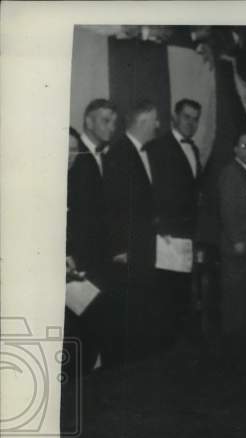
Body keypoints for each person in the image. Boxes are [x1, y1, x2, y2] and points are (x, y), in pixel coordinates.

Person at [102, 100, 161, 365]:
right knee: (127, 314)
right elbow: (112, 206)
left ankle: (137, 366)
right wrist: (120, 248)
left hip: (142, 248)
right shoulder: (120, 153)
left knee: (139, 309)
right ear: (143, 122)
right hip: (128, 251)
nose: (158, 125)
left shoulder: (141, 152)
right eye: (155, 120)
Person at [66, 100, 118, 372]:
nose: (112, 127)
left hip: (96, 262)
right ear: (88, 121)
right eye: (105, 120)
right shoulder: (75, 160)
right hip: (78, 263)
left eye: (114, 122)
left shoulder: (103, 157)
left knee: (92, 334)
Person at [147, 98, 203, 349]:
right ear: (175, 118)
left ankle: (175, 353)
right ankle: (162, 353)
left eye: (195, 119)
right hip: (166, 237)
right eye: (186, 117)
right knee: (164, 297)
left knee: (182, 296)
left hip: (187, 235)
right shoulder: (158, 147)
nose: (191, 123)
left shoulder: (195, 150)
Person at [217, 132, 246, 347]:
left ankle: (243, 344)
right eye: (244, 146)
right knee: (234, 299)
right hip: (238, 246)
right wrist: (236, 240)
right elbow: (227, 210)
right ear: (235, 149)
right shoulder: (230, 173)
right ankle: (232, 346)